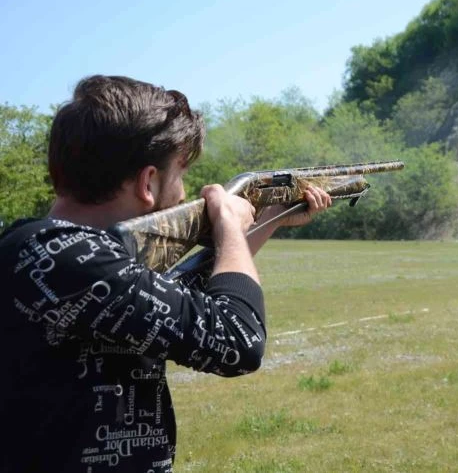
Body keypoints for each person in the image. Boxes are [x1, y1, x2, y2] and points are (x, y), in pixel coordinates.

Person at [0, 75, 332, 472]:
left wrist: (265, 224)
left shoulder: (54, 253)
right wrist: (226, 224)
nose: (183, 191)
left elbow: (170, 303)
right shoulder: (68, 258)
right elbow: (238, 341)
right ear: (148, 181)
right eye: (180, 173)